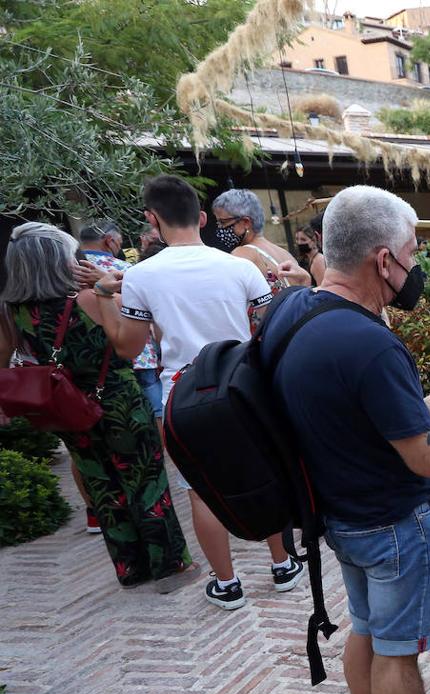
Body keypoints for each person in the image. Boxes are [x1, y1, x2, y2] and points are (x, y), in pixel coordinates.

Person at [261, 185, 430, 694]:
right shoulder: (369, 344)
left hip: (338, 518)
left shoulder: (292, 311)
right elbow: (427, 458)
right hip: (391, 524)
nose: (417, 266)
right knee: (395, 649)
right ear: (383, 260)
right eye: (412, 252)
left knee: (365, 627)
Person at [93, 175, 306, 609]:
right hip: (244, 386)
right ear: (203, 217)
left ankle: (227, 584)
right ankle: (282, 565)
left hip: (184, 393)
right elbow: (269, 328)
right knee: (260, 470)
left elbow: (128, 346)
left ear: (152, 220)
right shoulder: (240, 267)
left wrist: (102, 296)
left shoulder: (140, 276)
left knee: (201, 487)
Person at [0, 223, 192, 588]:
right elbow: (128, 348)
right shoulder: (88, 299)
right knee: (146, 481)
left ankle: (130, 569)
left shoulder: (11, 312)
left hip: (67, 409)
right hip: (120, 403)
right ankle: (168, 565)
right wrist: (106, 290)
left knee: (102, 486)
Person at [79, 220, 165, 422]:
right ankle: (159, 450)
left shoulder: (70, 270)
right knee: (155, 409)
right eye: (119, 241)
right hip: (139, 353)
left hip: (93, 354)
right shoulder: (126, 270)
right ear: (109, 241)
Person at [210, 188, 309, 290]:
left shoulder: (242, 254)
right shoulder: (285, 254)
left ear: (246, 222)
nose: (220, 228)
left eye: (223, 222)